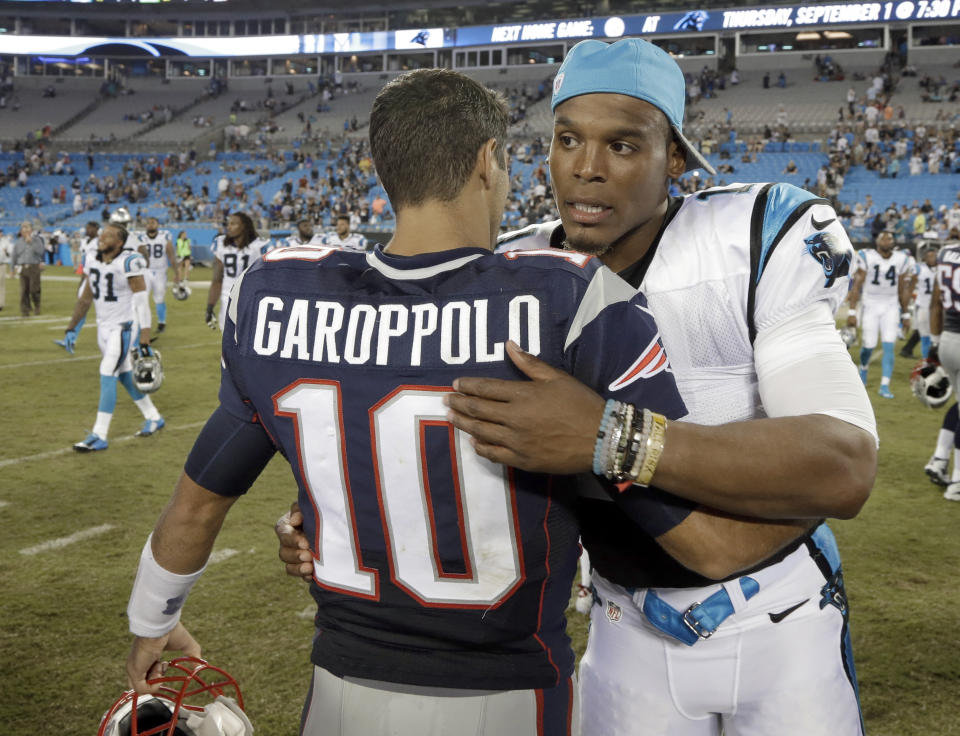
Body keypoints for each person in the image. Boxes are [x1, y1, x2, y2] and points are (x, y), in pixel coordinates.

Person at [120, 69, 694, 736]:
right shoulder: (567, 298)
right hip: (507, 697)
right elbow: (677, 513)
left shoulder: (277, 294)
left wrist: (152, 620)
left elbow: (197, 504)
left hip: (339, 693)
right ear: (488, 161)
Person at [439, 39, 876, 736]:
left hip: (782, 622)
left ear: (673, 158)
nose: (586, 169)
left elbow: (844, 464)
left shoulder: (749, 236)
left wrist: (606, 436)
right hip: (623, 625)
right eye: (567, 140)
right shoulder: (515, 272)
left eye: (621, 146)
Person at [59, 222, 164, 451]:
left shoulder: (129, 261)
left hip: (123, 327)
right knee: (124, 374)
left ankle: (100, 434)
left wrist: (145, 336)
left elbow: (141, 302)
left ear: (119, 242)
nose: (102, 237)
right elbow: (85, 298)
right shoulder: (92, 258)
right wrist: (70, 328)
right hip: (103, 328)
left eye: (108, 235)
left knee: (107, 372)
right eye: (102, 234)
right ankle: (154, 416)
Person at [847, 230, 913, 397]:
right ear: (877, 241)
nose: (886, 241)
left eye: (889, 238)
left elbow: (902, 288)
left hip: (890, 305)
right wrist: (852, 310)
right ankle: (864, 367)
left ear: (893, 242)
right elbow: (857, 285)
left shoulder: (901, 259)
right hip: (870, 304)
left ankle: (885, 385)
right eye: (883, 238)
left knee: (889, 344)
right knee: (868, 345)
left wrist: (905, 313)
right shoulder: (866, 256)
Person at [205, 212, 272, 331]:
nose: (229, 227)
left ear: (244, 226)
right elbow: (217, 279)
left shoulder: (260, 245)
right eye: (228, 223)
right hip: (228, 298)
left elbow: (270, 277)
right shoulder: (221, 244)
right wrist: (210, 306)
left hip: (252, 298)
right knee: (228, 343)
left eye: (233, 224)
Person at [931, 241, 960, 500]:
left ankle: (939, 459)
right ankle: (957, 482)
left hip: (948, 338)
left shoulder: (945, 252)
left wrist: (935, 342)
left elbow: (936, 303)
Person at [55, 221, 101, 353]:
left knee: (104, 310)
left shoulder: (100, 242)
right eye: (87, 227)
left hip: (98, 278)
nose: (87, 230)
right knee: (81, 307)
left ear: (97, 229)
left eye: (90, 228)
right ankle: (71, 339)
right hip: (87, 277)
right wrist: (81, 280)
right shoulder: (85, 241)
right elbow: (84, 262)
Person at [137, 217, 179, 335]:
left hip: (161, 271)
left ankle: (161, 322)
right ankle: (143, 324)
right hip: (145, 271)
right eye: (148, 223)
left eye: (153, 222)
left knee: (159, 298)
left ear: (157, 224)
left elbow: (171, 255)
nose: (150, 225)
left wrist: (177, 273)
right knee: (142, 298)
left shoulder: (165, 236)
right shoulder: (141, 237)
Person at [10, 221, 45, 317]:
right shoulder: (18, 242)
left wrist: (31, 243)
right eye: (23, 227)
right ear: (21, 230)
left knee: (34, 289)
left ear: (31, 229)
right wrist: (12, 269)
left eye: (27, 227)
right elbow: (14, 256)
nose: (25, 229)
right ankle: (24, 310)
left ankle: (37, 305)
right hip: (22, 268)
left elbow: (41, 252)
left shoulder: (37, 240)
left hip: (34, 267)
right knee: (23, 290)